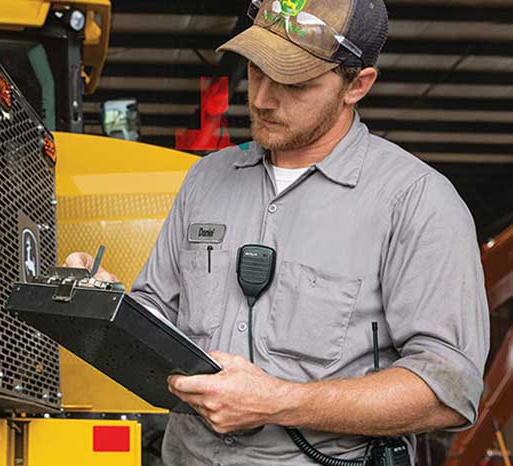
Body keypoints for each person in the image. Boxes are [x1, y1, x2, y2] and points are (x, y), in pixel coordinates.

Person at [66, 0, 489, 464]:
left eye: (293, 82)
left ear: (357, 85)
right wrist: (112, 303)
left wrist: (278, 401)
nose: (264, 98)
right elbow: (159, 316)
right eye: (257, 70)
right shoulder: (207, 179)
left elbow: (448, 388)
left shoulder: (415, 201)